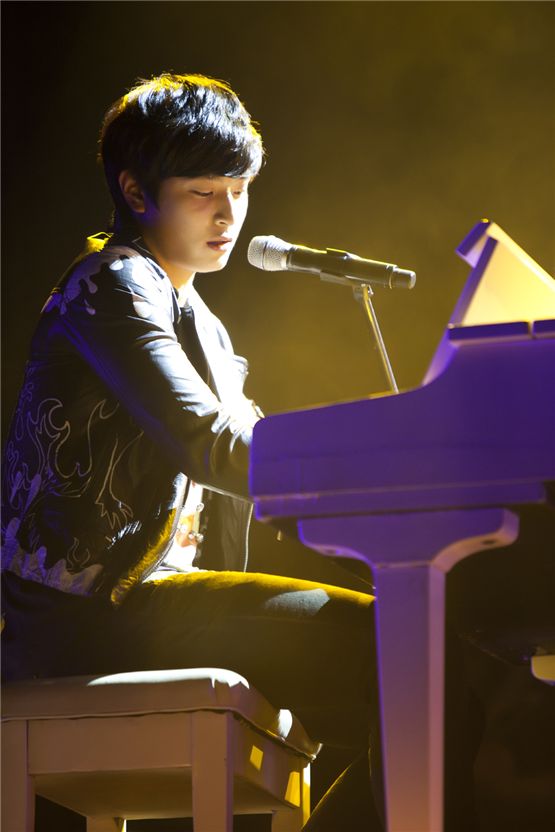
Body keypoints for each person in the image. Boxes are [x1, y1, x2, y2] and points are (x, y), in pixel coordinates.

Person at [1, 72, 383, 830]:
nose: (230, 214)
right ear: (136, 190)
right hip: (87, 614)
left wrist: (388, 517)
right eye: (204, 191)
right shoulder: (112, 283)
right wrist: (368, 467)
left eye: (240, 188)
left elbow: (253, 468)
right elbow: (212, 444)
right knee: (402, 656)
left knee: (420, 669)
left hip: (156, 601)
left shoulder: (203, 322)